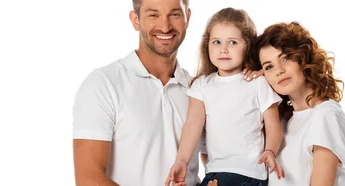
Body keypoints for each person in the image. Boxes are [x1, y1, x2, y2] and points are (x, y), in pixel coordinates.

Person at [71, 0, 203, 185]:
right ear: (135, 20)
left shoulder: (199, 90)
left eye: (174, 14)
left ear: (187, 18)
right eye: (153, 15)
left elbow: (223, 164)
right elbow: (89, 179)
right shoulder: (103, 83)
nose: (165, 27)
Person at [165, 7, 285, 186]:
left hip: (248, 171)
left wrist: (270, 151)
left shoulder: (257, 82)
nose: (224, 49)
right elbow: (192, 126)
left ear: (248, 45)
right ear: (207, 45)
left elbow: (273, 125)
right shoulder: (202, 85)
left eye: (233, 42)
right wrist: (182, 160)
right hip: (215, 171)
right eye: (217, 42)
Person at [250, 22, 345, 186]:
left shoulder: (325, 115)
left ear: (302, 57)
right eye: (269, 67)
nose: (279, 70)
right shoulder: (282, 122)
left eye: (285, 58)